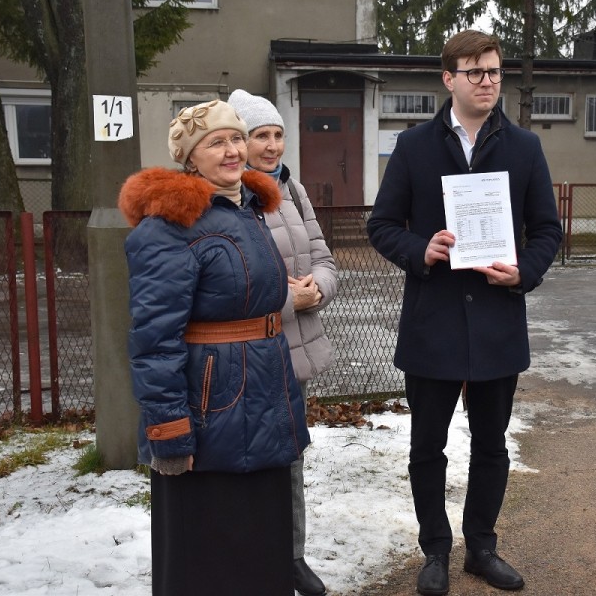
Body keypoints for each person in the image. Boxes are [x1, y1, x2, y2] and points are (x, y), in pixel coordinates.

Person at [366, 30, 562, 595]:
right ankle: (435, 550)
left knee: (492, 444)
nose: (488, 82)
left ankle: (482, 546)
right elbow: (382, 226)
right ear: (448, 78)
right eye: (475, 72)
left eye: (494, 71)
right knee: (427, 446)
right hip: (434, 324)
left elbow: (547, 229)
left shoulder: (524, 147)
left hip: (498, 322)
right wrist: (419, 251)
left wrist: (525, 270)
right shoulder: (414, 147)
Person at [118, 99, 310, 596]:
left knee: (261, 542)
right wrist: (169, 430)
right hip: (211, 410)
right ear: (189, 158)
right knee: (209, 552)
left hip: (266, 393)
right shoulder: (168, 226)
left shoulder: (248, 209)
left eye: (236, 139)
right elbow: (154, 340)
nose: (232, 151)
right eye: (215, 142)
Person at [228, 88, 337, 596]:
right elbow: (227, 286)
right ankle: (254, 555)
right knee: (250, 460)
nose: (272, 147)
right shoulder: (228, 198)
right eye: (260, 136)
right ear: (237, 142)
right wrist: (285, 300)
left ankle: (292, 556)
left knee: (291, 457)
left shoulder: (292, 190)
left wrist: (318, 288)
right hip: (249, 353)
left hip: (296, 352)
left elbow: (323, 256)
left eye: (277, 135)